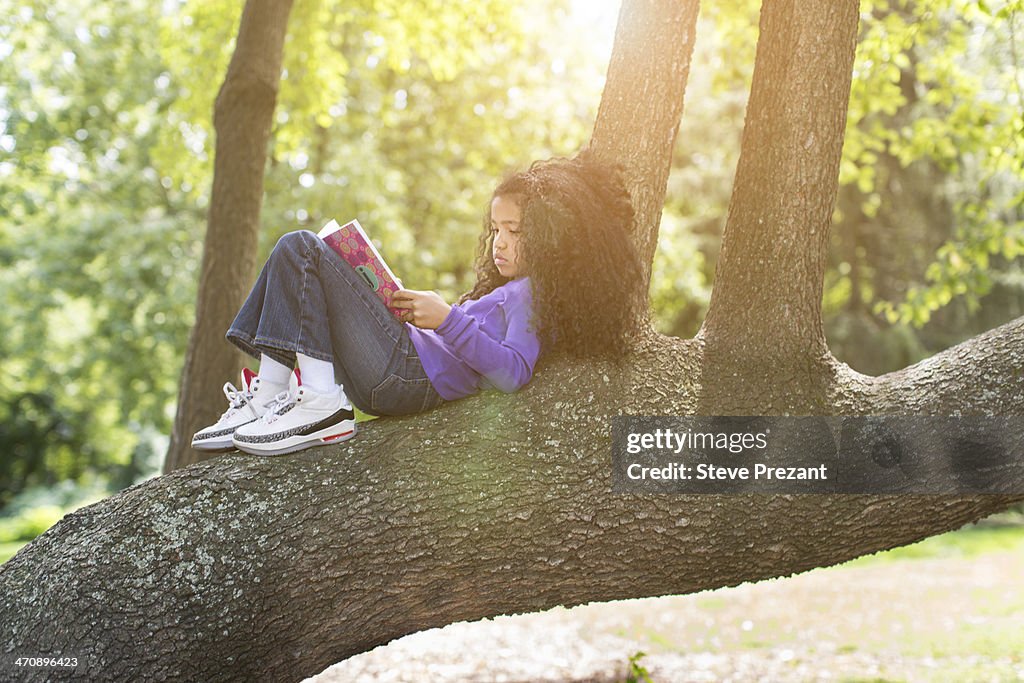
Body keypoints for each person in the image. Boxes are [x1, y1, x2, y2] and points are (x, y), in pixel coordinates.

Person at [191, 151, 642, 456]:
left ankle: (316, 403)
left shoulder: (533, 295)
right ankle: (268, 399)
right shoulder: (506, 290)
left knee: (301, 249)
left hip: (406, 375)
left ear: (550, 238)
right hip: (399, 366)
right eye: (496, 229)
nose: (499, 244)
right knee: (298, 260)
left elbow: (512, 373)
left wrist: (446, 320)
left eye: (515, 231)